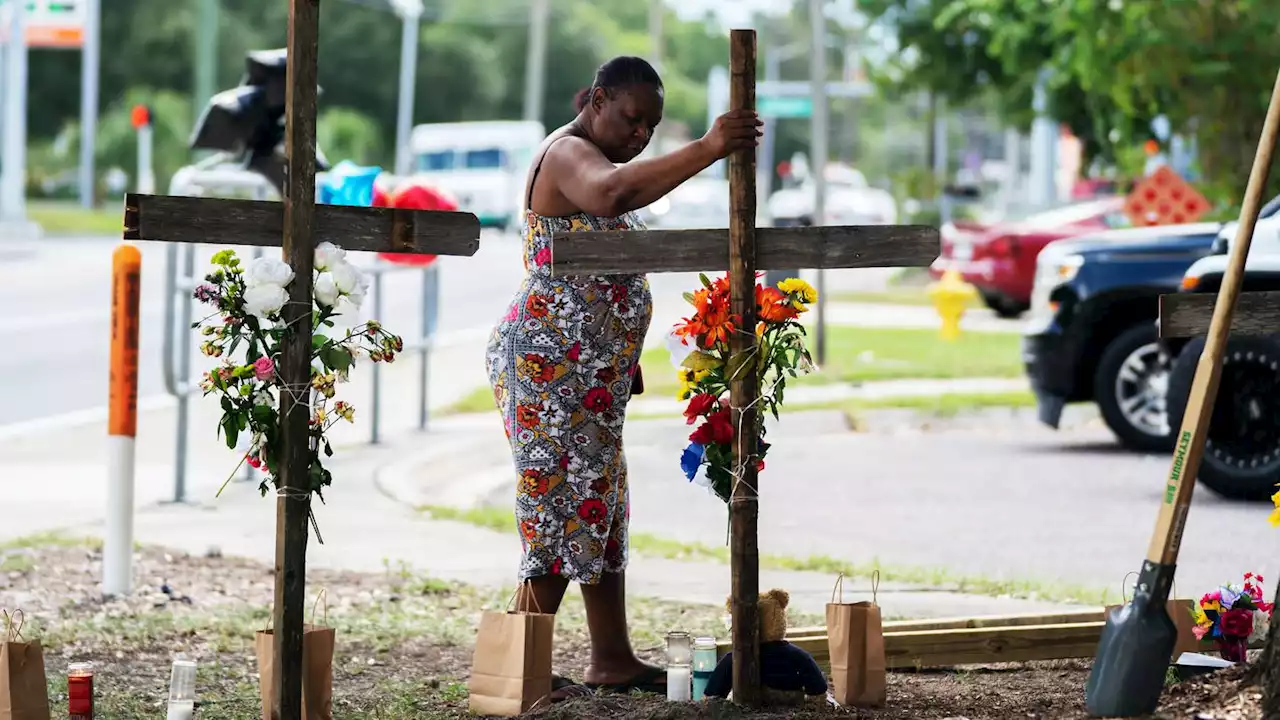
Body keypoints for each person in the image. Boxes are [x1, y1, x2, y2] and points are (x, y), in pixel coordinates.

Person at [484, 55, 761, 700]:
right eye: (633, 119)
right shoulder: (567, 155)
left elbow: (600, 262)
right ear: (598, 98)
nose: (641, 136)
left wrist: (621, 355)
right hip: (548, 371)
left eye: (651, 128)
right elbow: (615, 194)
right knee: (556, 512)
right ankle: (512, 670)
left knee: (600, 509)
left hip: (589, 376)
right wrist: (709, 147)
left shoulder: (595, 156)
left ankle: (610, 658)